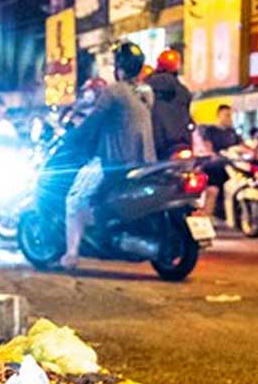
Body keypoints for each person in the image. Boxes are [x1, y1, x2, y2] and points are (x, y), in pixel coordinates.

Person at [62, 41, 156, 270]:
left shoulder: (113, 91)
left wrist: (71, 137)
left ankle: (71, 254)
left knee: (74, 200)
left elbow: (93, 121)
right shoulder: (146, 93)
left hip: (115, 161)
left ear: (119, 67)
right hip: (144, 162)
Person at [146, 48, 194, 156]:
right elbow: (187, 117)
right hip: (182, 144)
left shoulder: (147, 87)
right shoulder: (182, 91)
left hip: (157, 145)